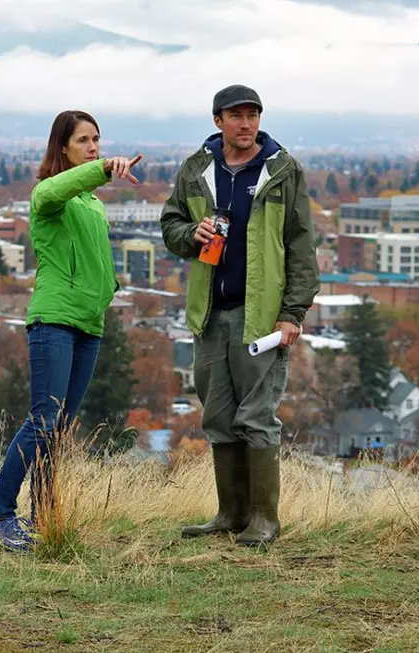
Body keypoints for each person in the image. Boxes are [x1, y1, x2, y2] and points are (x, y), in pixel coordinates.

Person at [160, 85, 320, 547]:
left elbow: (301, 245)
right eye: (236, 115)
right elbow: (170, 227)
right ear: (218, 121)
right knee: (219, 417)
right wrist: (194, 232)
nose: (245, 123)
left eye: (252, 115)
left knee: (257, 417)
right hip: (210, 314)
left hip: (262, 318)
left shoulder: (281, 171)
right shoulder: (196, 170)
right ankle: (229, 515)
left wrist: (293, 312)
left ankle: (264, 520)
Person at [0, 110, 141, 552]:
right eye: (84, 141)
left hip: (89, 324)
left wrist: (109, 291)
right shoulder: (49, 196)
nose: (93, 147)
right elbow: (55, 188)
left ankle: (45, 518)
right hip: (53, 321)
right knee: (43, 419)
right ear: (63, 148)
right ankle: (0, 516)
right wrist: (102, 170)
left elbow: (97, 260)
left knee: (60, 426)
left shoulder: (92, 204)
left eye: (97, 141)